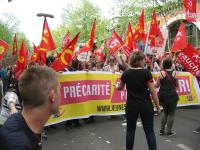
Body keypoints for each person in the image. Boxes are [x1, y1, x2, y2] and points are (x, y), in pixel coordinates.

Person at [0, 66, 61, 150]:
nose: (61, 96)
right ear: (52, 95)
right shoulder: (18, 145)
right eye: (60, 91)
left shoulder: (19, 120)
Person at [115, 51, 160, 150]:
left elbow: (120, 88)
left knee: (130, 130)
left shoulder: (126, 73)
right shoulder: (146, 73)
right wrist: (158, 106)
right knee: (149, 131)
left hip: (131, 105)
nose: (145, 61)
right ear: (139, 60)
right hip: (146, 104)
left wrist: (116, 87)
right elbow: (153, 92)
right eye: (144, 59)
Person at [155, 56, 179, 137]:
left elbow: (156, 85)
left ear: (164, 64)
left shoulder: (161, 73)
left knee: (165, 112)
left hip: (163, 95)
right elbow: (177, 85)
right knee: (171, 113)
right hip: (172, 95)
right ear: (171, 64)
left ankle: (162, 130)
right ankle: (169, 132)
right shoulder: (175, 73)